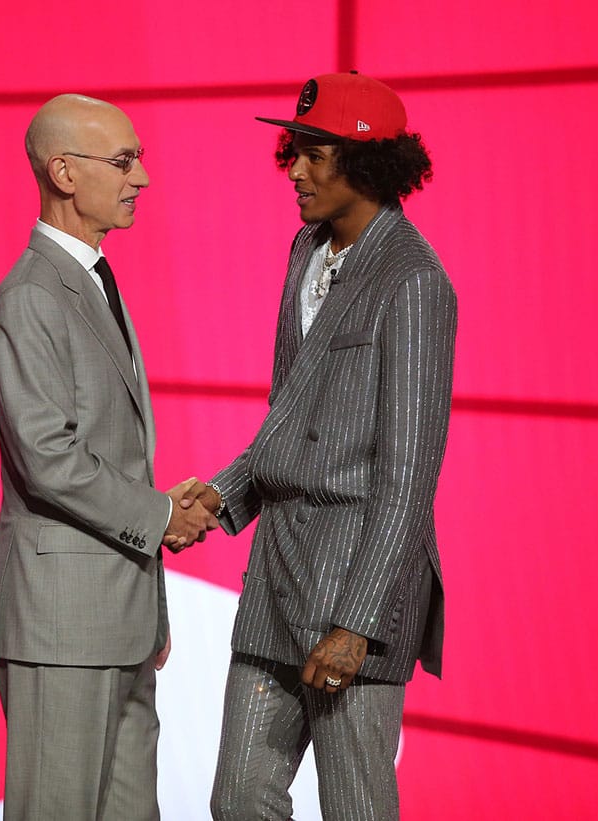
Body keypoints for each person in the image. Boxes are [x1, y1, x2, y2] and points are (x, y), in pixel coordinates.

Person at [182, 72, 458, 820]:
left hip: (357, 591)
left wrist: (359, 622)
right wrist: (224, 495)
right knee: (239, 799)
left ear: (366, 164)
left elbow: (407, 478)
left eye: (314, 154)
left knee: (356, 808)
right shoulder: (304, 251)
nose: (294, 170)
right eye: (293, 150)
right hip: (278, 574)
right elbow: (288, 415)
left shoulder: (415, 281)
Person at [0, 93, 215, 820]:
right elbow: (48, 458)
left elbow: (112, 453)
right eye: (123, 160)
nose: (141, 176)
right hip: (61, 626)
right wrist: (162, 514)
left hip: (121, 620)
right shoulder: (29, 295)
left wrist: (153, 601)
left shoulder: (92, 279)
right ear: (64, 172)